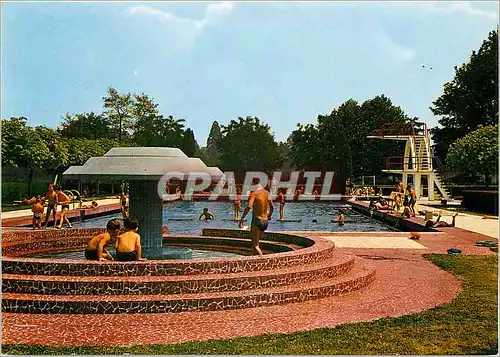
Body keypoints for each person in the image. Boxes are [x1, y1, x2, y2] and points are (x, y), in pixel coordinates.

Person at [239, 183, 274, 256]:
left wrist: (242, 219)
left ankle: (263, 262)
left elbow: (248, 206)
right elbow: (272, 206)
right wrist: (269, 215)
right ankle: (254, 261)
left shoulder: (254, 194)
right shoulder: (267, 193)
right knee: (255, 244)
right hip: (265, 221)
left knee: (255, 245)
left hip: (257, 220)